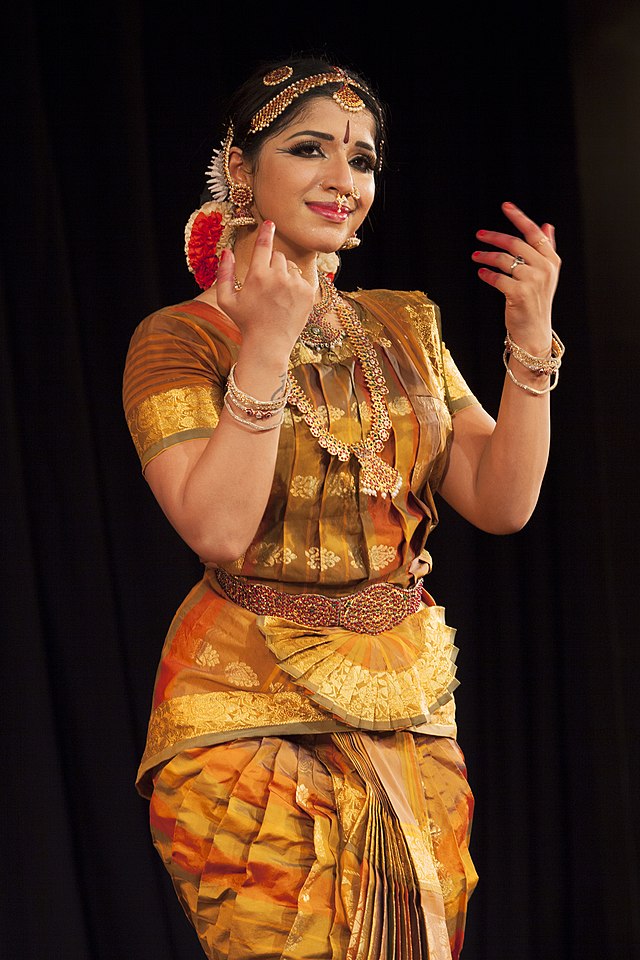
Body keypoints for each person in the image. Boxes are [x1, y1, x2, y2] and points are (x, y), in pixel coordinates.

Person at [122, 56, 562, 960]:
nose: (343, 179)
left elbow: (501, 500)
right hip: (243, 713)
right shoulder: (179, 339)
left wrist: (530, 349)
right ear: (242, 173)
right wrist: (269, 343)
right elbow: (215, 528)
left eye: (361, 160)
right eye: (311, 149)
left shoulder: (405, 325)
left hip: (404, 702)